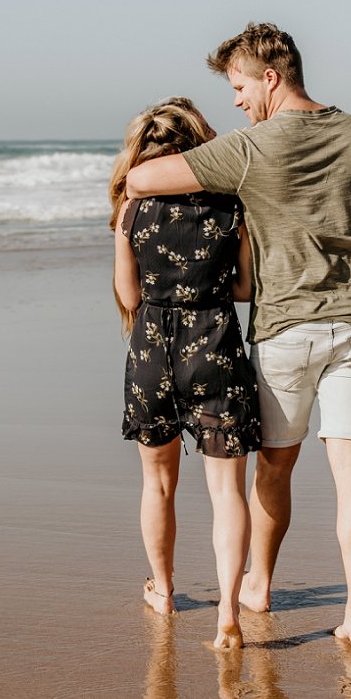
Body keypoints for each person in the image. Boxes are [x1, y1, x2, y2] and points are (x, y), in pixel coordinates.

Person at [125, 24, 351, 647]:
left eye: (240, 86)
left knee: (274, 468)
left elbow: (142, 182)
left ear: (270, 76)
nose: (239, 100)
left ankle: (260, 584)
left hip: (284, 329)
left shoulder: (250, 147)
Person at [110, 97, 262, 649]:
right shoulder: (230, 205)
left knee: (158, 483)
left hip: (151, 353)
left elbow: (129, 295)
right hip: (215, 345)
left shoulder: (132, 211)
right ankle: (228, 613)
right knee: (228, 493)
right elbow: (245, 290)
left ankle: (166, 590)